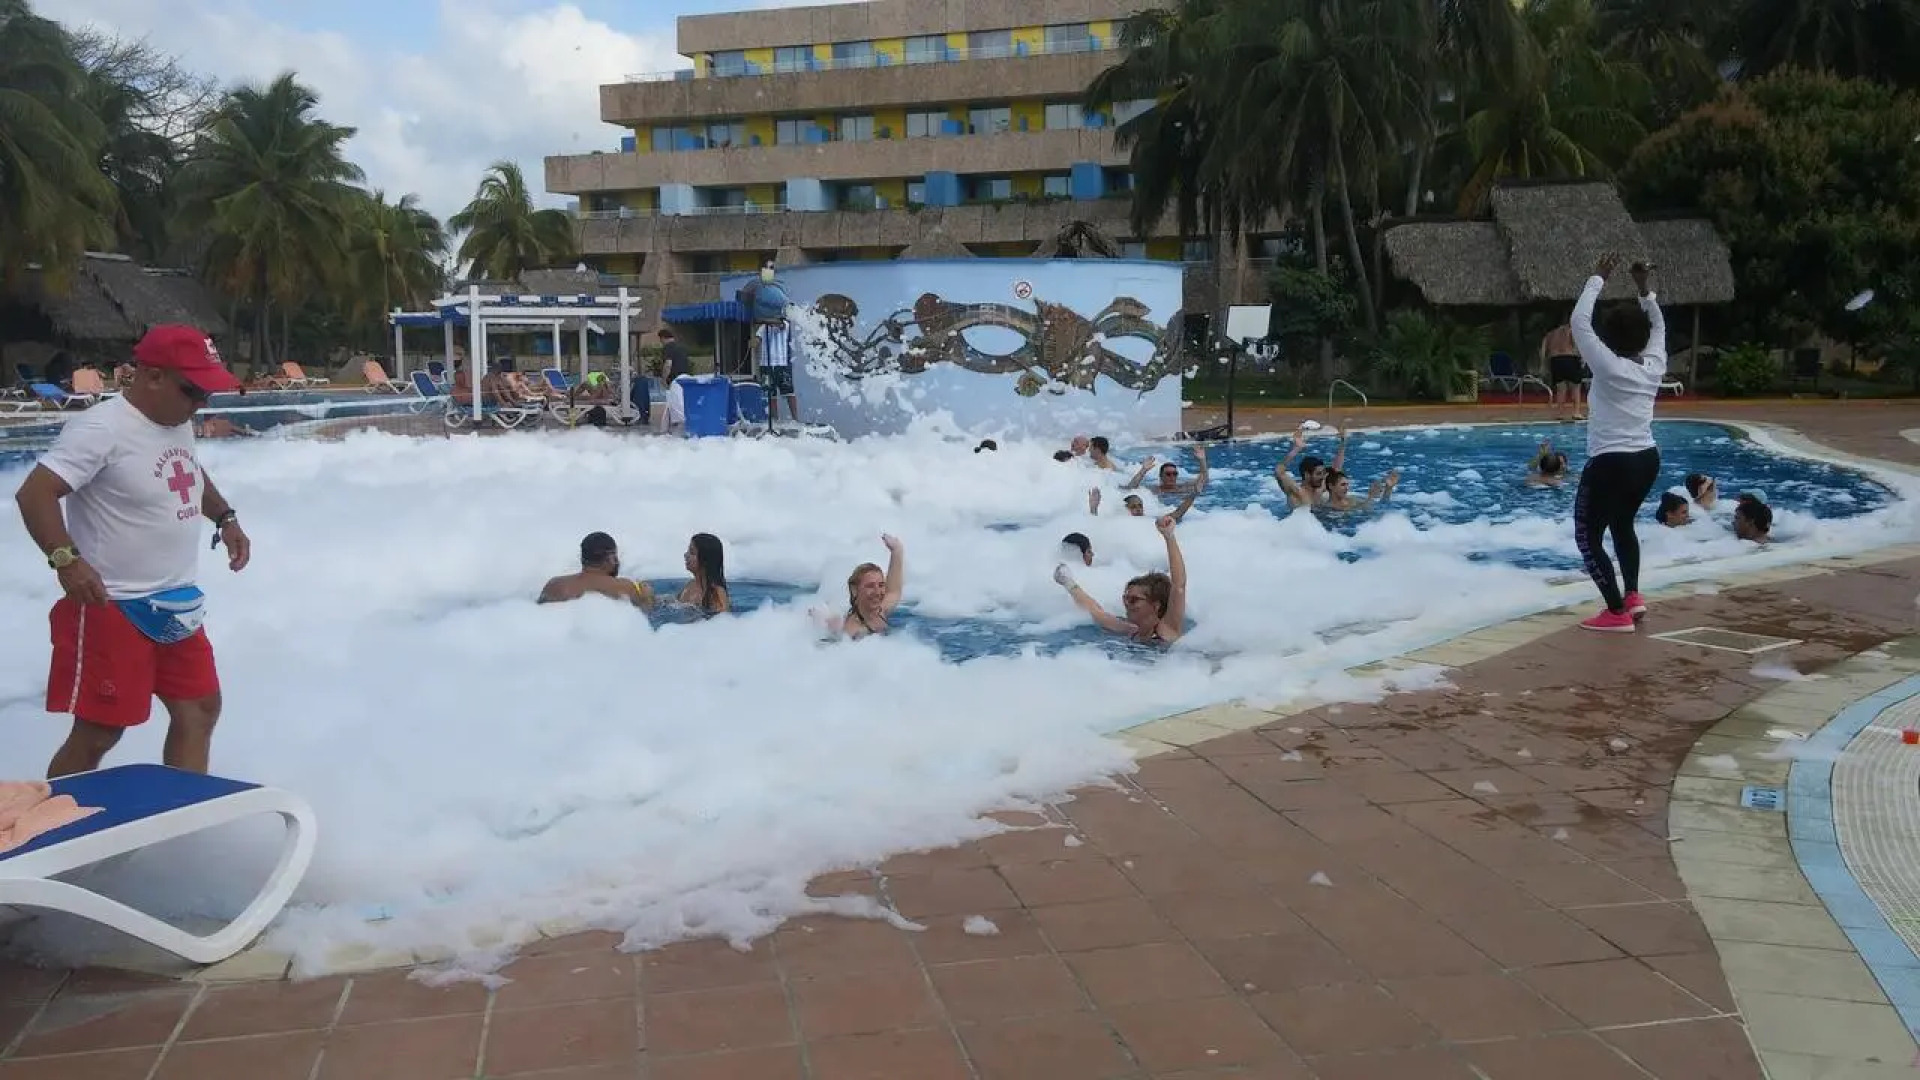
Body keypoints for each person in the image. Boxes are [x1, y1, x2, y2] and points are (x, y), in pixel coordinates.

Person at [13, 325, 249, 778]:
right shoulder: (101, 429)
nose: (201, 403)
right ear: (152, 376)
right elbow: (35, 493)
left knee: (200, 708)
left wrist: (225, 517)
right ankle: (58, 813)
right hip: (113, 605)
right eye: (192, 390)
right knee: (100, 731)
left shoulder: (175, 421)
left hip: (176, 602)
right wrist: (66, 561)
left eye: (207, 393)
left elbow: (187, 472)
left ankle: (182, 807)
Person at [1570, 254, 1667, 632]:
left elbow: (1579, 322)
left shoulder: (1607, 366)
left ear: (1607, 339)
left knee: (1587, 536)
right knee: (1623, 523)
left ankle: (1615, 613)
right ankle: (1633, 597)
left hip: (1611, 462)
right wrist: (1644, 290)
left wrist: (1598, 278)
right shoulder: (1655, 364)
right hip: (1646, 459)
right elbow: (1658, 325)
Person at [1054, 516, 1188, 645]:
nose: (1127, 604)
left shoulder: (1166, 630)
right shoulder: (1130, 630)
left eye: (1133, 600)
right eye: (1125, 598)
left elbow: (1179, 586)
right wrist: (1068, 582)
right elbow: (1095, 611)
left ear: (1156, 606)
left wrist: (1169, 536)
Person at [539, 532, 655, 608]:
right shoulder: (624, 587)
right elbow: (644, 618)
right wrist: (647, 597)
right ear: (611, 558)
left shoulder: (554, 585)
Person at [842, 534, 905, 638]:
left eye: (881, 585)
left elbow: (894, 592)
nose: (877, 592)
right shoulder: (852, 631)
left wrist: (896, 551)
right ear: (855, 590)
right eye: (870, 586)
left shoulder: (879, 612)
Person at [756, 318, 799, 426]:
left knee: (789, 391)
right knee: (770, 393)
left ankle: (796, 420)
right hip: (765, 365)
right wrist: (754, 342)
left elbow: (780, 326)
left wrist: (769, 321)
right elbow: (757, 339)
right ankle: (775, 420)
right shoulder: (762, 328)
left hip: (782, 364)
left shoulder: (785, 324)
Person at [676, 532, 731, 615]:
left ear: (705, 561)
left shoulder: (717, 594)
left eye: (692, 552)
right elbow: (675, 603)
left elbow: (723, 619)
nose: (686, 555)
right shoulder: (690, 585)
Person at [1540, 321, 1584, 420]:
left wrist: (1543, 365)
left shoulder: (1550, 334)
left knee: (1561, 388)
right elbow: (1575, 344)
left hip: (1555, 360)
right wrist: (1581, 357)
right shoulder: (1570, 330)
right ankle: (1576, 412)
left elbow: (1543, 351)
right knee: (1575, 387)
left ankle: (1560, 413)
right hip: (1570, 358)